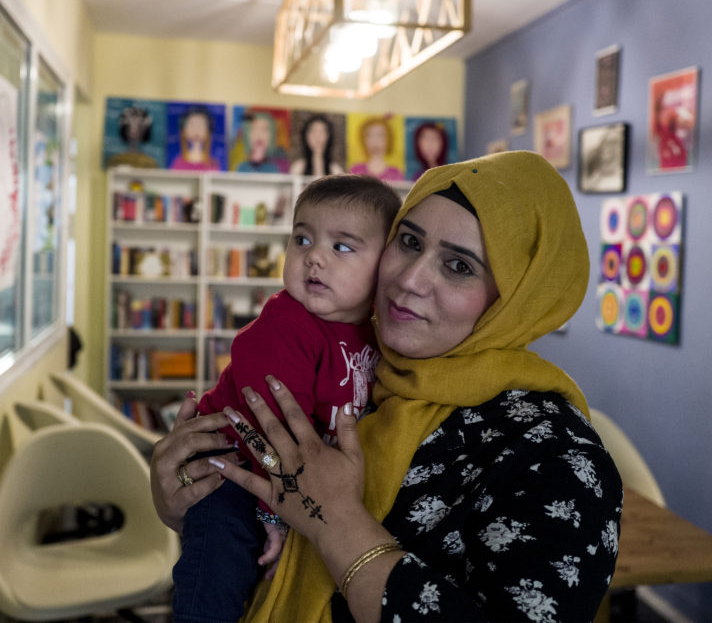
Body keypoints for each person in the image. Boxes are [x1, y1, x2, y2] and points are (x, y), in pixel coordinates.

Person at [152, 151, 623, 622]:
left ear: (518, 300)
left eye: (459, 266)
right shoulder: (361, 364)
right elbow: (258, 541)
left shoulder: (555, 455)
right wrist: (194, 502)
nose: (409, 280)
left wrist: (336, 522)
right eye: (409, 242)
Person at [171, 173, 402, 622]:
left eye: (342, 246)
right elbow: (268, 427)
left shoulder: (373, 332)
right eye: (302, 238)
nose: (314, 257)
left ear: (384, 265)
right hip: (233, 467)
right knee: (218, 566)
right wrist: (274, 516)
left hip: (299, 472)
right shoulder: (285, 323)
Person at [349, 117, 404, 182]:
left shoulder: (395, 173)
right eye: (369, 135)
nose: (375, 140)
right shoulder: (356, 170)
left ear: (389, 139)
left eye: (380, 135)